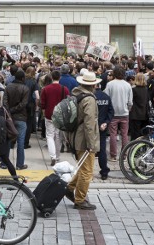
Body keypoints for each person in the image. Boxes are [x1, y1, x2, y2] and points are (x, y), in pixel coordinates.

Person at [64, 71, 100, 210]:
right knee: (87, 171)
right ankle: (80, 200)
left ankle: (69, 188)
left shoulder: (76, 94)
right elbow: (89, 124)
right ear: (93, 85)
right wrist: (92, 144)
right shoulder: (89, 99)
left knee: (82, 167)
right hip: (84, 139)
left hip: (74, 136)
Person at [40, 70, 68, 166]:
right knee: (58, 136)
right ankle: (57, 155)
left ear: (51, 77)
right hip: (60, 116)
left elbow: (43, 104)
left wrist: (44, 113)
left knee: (49, 135)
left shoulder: (46, 89)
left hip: (49, 114)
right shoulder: (65, 89)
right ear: (59, 78)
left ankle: (52, 156)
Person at [3, 69, 29, 170]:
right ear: (23, 78)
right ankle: (20, 164)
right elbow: (24, 104)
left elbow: (4, 102)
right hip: (21, 117)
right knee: (21, 142)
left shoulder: (8, 87)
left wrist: (9, 111)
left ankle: (5, 163)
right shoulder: (25, 88)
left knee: (8, 140)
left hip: (9, 118)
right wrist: (14, 110)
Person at [105, 66, 132, 161]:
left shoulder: (110, 84)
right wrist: (128, 109)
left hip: (113, 113)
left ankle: (113, 155)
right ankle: (124, 155)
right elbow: (130, 102)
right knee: (124, 135)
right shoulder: (128, 85)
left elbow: (106, 98)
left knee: (113, 134)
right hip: (124, 113)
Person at [95, 80, 114, 180]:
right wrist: (106, 122)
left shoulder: (90, 97)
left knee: (88, 149)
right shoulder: (106, 97)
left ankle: (85, 171)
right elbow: (111, 111)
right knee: (102, 150)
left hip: (91, 127)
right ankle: (104, 171)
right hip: (102, 126)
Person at [129, 73, 149, 140]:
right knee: (142, 133)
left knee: (135, 133)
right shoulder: (146, 89)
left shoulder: (134, 90)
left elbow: (130, 101)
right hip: (144, 113)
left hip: (135, 114)